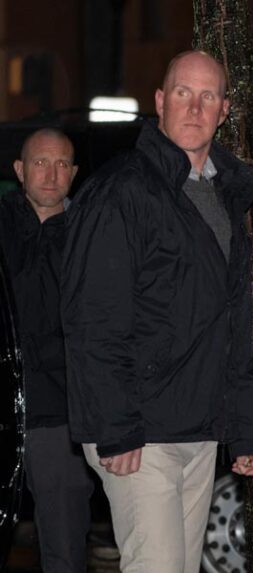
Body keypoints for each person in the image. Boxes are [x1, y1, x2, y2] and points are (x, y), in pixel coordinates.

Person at [61, 50, 253, 573]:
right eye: (183, 92)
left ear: (224, 110)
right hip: (139, 431)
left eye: (208, 96)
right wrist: (115, 428)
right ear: (160, 101)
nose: (194, 107)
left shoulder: (225, 196)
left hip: (197, 428)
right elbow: (92, 319)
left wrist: (247, 427)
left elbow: (233, 323)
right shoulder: (122, 192)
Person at [0, 128, 92, 572]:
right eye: (40, 162)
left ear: (74, 174)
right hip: (4, 413)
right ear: (19, 170)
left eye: (61, 165)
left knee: (64, 551)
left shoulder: (90, 235)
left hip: (61, 418)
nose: (51, 175)